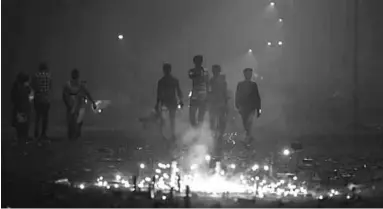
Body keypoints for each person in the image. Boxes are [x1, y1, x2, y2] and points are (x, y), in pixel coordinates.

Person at [62, 69, 96, 140]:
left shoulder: (69, 85)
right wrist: (93, 102)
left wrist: (67, 103)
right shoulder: (79, 85)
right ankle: (74, 136)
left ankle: (73, 136)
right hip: (76, 105)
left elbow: (64, 96)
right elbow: (87, 93)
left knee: (74, 122)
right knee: (75, 122)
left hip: (74, 105)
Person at [155, 63, 184, 141]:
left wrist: (157, 104)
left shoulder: (162, 81)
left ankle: (168, 135)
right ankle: (170, 134)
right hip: (169, 101)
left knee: (168, 118)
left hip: (167, 102)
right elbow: (178, 92)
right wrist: (181, 101)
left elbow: (159, 93)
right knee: (170, 118)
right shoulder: (172, 81)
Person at [208, 65, 229, 161]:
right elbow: (209, 91)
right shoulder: (212, 81)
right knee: (214, 124)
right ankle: (215, 135)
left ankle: (218, 136)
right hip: (215, 104)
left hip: (219, 104)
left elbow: (224, 93)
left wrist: (225, 104)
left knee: (220, 124)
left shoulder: (221, 82)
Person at [235, 68, 261, 142]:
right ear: (244, 74)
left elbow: (257, 97)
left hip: (251, 107)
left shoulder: (253, 85)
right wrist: (237, 104)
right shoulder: (240, 84)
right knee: (245, 122)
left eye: (250, 74)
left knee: (249, 121)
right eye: (247, 74)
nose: (249, 75)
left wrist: (259, 109)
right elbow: (237, 95)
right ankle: (248, 136)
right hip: (243, 106)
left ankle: (248, 136)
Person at [32, 63, 52, 141]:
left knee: (37, 116)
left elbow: (33, 86)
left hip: (38, 98)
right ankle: (43, 134)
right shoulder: (49, 76)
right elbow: (50, 86)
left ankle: (36, 132)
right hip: (46, 99)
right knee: (45, 117)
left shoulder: (36, 76)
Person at [11, 72, 33, 143]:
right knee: (24, 124)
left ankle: (20, 138)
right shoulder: (26, 87)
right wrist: (29, 100)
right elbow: (31, 96)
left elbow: (13, 97)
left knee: (20, 124)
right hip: (24, 107)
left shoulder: (16, 87)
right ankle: (23, 138)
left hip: (19, 108)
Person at [188, 55, 209, 127]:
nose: (198, 63)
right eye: (197, 61)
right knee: (192, 113)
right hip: (195, 94)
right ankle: (195, 127)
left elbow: (207, 82)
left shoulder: (205, 71)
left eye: (199, 61)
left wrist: (208, 95)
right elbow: (191, 76)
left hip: (203, 94)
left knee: (201, 114)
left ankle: (199, 130)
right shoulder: (192, 71)